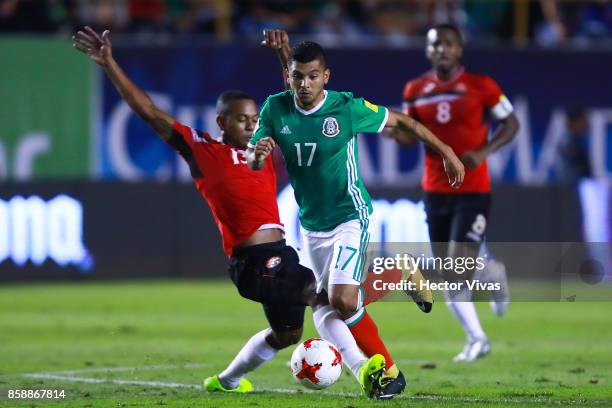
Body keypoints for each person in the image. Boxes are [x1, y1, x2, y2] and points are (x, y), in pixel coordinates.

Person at [72, 26, 386, 399]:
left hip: (280, 255)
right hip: (253, 261)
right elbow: (150, 113)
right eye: (242, 120)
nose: (252, 125)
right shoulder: (203, 151)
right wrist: (109, 63)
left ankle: (226, 381)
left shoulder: (264, 149)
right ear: (221, 122)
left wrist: (282, 57)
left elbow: (297, 104)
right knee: (320, 297)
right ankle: (363, 367)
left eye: (255, 119)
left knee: (287, 334)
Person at [248, 32, 465, 397]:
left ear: (326, 77)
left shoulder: (346, 108)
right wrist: (259, 154)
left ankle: (390, 374)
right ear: (289, 76)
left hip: (351, 214)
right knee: (322, 306)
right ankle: (399, 276)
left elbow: (403, 122)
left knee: (344, 300)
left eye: (313, 76)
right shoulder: (274, 108)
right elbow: (254, 160)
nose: (305, 83)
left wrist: (446, 151)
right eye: (298, 76)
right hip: (312, 225)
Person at [399, 23, 519, 362]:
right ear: (427, 50)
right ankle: (477, 338)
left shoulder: (481, 86)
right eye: (436, 44)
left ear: (459, 49)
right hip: (435, 190)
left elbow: (511, 124)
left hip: (473, 189)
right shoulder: (415, 89)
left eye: (448, 44)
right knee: (451, 274)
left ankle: (490, 274)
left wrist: (483, 152)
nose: (442, 49)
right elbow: (411, 133)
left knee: (456, 269)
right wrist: (399, 135)